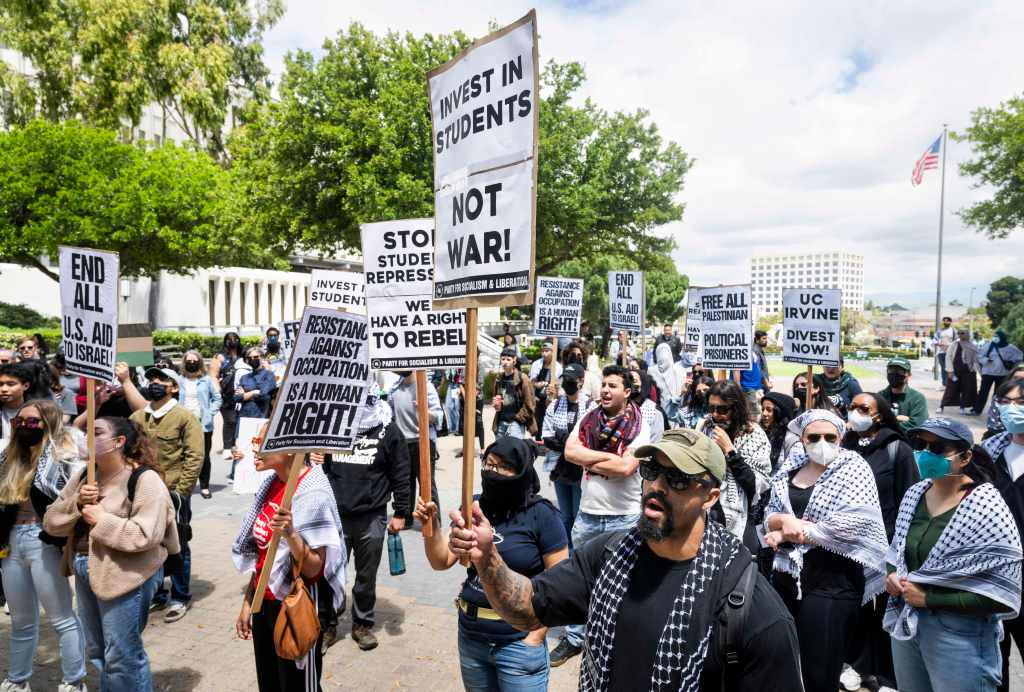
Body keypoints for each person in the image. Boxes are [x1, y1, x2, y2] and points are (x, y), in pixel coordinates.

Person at [447, 427, 804, 691]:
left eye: (678, 479)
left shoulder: (752, 610)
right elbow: (527, 608)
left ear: (710, 498)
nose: (657, 487)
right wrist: (488, 558)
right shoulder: (609, 556)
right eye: (651, 472)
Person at [413, 436, 568, 691]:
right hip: (472, 637)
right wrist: (432, 526)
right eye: (489, 465)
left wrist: (536, 635)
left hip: (518, 643)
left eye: (503, 467)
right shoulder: (474, 507)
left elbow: (559, 584)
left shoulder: (542, 514)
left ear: (521, 472)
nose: (493, 473)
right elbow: (441, 561)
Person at [43, 416, 180, 692]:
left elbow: (145, 535)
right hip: (85, 568)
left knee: (122, 654)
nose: (86, 437)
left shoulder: (145, 479)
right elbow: (51, 523)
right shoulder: (84, 474)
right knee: (98, 651)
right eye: (85, 431)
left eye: (96, 432)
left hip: (126, 574)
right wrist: (77, 503)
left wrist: (102, 519)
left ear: (119, 442)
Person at [885, 418, 1022, 692]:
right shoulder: (915, 494)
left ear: (965, 456)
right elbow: (898, 552)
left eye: (936, 447)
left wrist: (929, 598)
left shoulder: (986, 506)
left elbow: (1002, 592)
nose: (925, 454)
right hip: (908, 625)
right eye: (920, 445)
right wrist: (891, 574)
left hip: (961, 636)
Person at [763, 409, 889, 692]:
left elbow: (852, 524)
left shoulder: (853, 467)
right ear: (803, 439)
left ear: (841, 438)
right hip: (787, 577)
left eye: (830, 437)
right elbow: (769, 512)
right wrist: (784, 521)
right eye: (814, 437)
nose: (822, 442)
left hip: (833, 582)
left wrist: (791, 532)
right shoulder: (791, 466)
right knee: (786, 665)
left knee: (819, 672)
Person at [547, 364, 650, 666]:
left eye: (613, 386)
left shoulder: (641, 425)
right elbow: (569, 452)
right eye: (603, 384)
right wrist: (611, 458)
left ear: (627, 392)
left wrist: (591, 461)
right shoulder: (587, 418)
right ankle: (575, 637)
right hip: (589, 514)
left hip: (625, 516)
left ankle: (616, 641)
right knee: (579, 580)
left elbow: (626, 468)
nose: (605, 390)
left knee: (623, 583)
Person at [232, 427, 346, 692]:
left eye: (261, 441)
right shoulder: (271, 484)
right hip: (265, 604)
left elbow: (315, 568)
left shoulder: (313, 493)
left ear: (291, 448)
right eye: (254, 438)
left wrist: (292, 534)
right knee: (270, 684)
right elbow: (263, 555)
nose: (254, 447)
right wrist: (249, 602)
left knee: (297, 687)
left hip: (296, 606)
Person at [0, 400, 87, 692]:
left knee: (61, 617)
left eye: (33, 421)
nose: (24, 426)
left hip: (44, 542)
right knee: (22, 620)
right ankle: (17, 679)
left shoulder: (64, 459)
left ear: (48, 424)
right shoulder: (7, 458)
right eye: (19, 421)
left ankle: (73, 681)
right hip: (11, 544)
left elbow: (70, 498)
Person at [316, 392, 409, 651]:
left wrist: (401, 512)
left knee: (366, 577)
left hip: (372, 517)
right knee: (329, 574)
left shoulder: (389, 431)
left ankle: (362, 625)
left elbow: (401, 472)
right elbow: (319, 468)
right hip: (335, 516)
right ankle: (327, 625)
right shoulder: (333, 428)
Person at [840, 392, 919, 692]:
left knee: (886, 608)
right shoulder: (844, 445)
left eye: (864, 408)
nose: (856, 413)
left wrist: (901, 550)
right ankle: (858, 665)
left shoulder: (897, 449)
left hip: (887, 545)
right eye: (852, 407)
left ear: (879, 415)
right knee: (858, 608)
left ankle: (888, 675)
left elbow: (909, 499)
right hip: (850, 544)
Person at [128, 367, 203, 622]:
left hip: (174, 492)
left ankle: (180, 596)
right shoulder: (138, 417)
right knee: (149, 542)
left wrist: (182, 492)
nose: (155, 383)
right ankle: (157, 594)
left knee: (177, 542)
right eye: (152, 379)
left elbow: (195, 457)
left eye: (162, 379)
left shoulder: (184, 417)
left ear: (174, 387)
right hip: (143, 492)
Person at [981, 379, 1024, 691]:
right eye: (1005, 402)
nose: (1011, 410)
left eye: (1019, 403)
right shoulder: (989, 452)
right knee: (995, 662)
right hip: (995, 576)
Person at [698, 380, 772, 549]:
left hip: (742, 514)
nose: (715, 415)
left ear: (736, 408)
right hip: (706, 507)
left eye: (722, 409)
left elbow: (755, 485)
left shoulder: (754, 434)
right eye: (711, 408)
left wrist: (730, 451)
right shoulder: (704, 427)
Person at [542, 363, 591, 549]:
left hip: (580, 469)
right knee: (565, 515)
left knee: (579, 513)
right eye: (565, 380)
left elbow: (589, 438)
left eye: (572, 380)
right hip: (560, 468)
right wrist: (568, 444)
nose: (568, 384)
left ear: (581, 381)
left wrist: (564, 439)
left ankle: (579, 551)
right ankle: (566, 551)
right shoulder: (555, 405)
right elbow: (546, 435)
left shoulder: (590, 405)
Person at [388, 371, 442, 528]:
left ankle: (433, 520)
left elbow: (438, 416)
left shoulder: (425, 386)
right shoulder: (394, 388)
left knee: (427, 483)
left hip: (422, 441)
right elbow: (390, 415)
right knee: (405, 482)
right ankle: (405, 517)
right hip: (402, 442)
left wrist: (424, 410)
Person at [179, 350, 222, 500]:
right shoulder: (179, 381)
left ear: (200, 362)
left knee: (203, 456)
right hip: (183, 424)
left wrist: (210, 413)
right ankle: (186, 485)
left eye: (194, 361)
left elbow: (217, 398)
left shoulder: (206, 380)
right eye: (189, 361)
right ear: (184, 363)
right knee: (184, 455)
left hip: (203, 424)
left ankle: (204, 486)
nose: (192, 363)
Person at [210, 332, 244, 463]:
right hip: (226, 395)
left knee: (239, 420)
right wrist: (218, 390)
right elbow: (213, 375)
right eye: (229, 339)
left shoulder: (243, 356)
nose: (232, 341)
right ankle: (227, 447)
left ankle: (238, 445)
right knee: (230, 421)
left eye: (235, 338)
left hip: (241, 394)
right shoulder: (220, 357)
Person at [975, 330, 1023, 416]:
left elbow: (1020, 357)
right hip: (988, 373)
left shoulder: (1010, 348)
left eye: (997, 336)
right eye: (995, 336)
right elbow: (979, 355)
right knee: (983, 392)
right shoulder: (988, 346)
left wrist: (1013, 366)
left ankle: (996, 411)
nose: (995, 338)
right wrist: (986, 360)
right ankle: (977, 410)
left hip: (1002, 374)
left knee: (998, 394)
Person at [492, 348, 536, 440]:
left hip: (516, 422)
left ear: (514, 361)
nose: (505, 362)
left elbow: (530, 403)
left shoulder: (522, 378)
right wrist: (496, 404)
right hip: (501, 421)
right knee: (499, 452)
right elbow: (496, 397)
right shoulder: (499, 378)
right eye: (503, 359)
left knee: (514, 451)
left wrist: (518, 418)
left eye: (508, 359)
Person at [879, 357, 928, 434]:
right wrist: (898, 419)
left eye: (900, 371)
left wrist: (886, 424)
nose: (894, 374)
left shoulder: (917, 398)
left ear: (909, 375)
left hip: (908, 443)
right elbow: (873, 421)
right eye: (891, 370)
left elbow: (917, 424)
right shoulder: (880, 396)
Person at [940, 328, 979, 414]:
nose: (960, 335)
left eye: (963, 333)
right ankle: (941, 406)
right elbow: (948, 357)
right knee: (950, 389)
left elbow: (976, 359)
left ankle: (963, 407)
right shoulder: (954, 344)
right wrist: (950, 371)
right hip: (955, 371)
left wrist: (975, 369)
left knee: (967, 390)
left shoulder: (972, 346)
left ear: (967, 334)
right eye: (959, 333)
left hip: (968, 372)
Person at [529, 341, 561, 442]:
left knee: (550, 420)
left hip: (551, 397)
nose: (544, 354)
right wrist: (537, 384)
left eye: (547, 351)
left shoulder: (558, 366)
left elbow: (559, 384)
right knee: (538, 420)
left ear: (552, 352)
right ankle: (538, 441)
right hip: (538, 397)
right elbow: (532, 381)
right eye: (542, 351)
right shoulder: (537, 364)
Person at [760, 391, 798, 471]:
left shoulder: (791, 440)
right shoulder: (760, 433)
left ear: (781, 413)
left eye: (769, 410)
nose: (764, 414)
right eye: (763, 409)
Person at [236, 346, 277, 420]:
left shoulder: (269, 375)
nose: (252, 359)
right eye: (249, 358)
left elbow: (264, 395)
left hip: (261, 417)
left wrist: (245, 395)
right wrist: (254, 392)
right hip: (244, 417)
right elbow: (236, 397)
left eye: (255, 357)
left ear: (261, 357)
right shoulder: (244, 377)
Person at [984, 363, 1024, 439]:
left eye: (1021, 402)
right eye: (1016, 378)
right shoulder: (999, 397)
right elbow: (994, 424)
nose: (1020, 382)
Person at [649, 342, 684, 424]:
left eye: (665, 353)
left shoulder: (678, 370)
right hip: (658, 407)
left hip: (675, 408)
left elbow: (681, 390)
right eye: (660, 353)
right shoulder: (652, 370)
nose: (663, 357)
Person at [0, 363, 32, 443]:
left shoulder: (35, 411)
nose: (4, 389)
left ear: (26, 386)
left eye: (10, 384)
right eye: (0, 384)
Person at [933, 316, 956, 387]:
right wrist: (938, 343)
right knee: (943, 368)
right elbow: (934, 340)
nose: (945, 322)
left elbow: (957, 340)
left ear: (950, 322)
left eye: (947, 321)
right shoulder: (939, 331)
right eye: (944, 321)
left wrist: (951, 345)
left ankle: (953, 383)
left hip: (951, 353)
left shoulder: (953, 331)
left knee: (951, 368)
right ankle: (944, 384)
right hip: (941, 353)